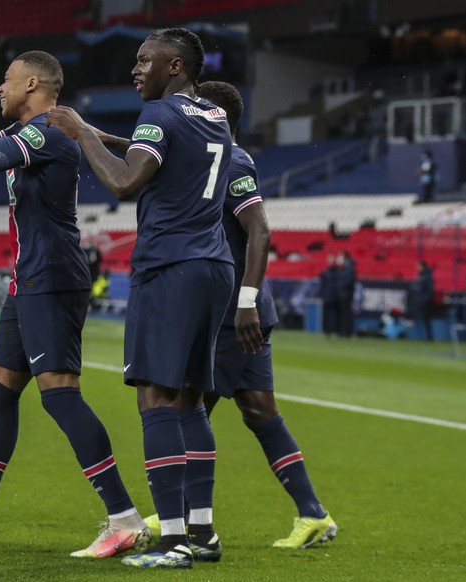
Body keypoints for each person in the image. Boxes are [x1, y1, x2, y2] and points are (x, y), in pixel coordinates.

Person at [0, 49, 150, 558]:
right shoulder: (24, 137)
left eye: (7, 80)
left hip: (52, 278)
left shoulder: (49, 134)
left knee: (59, 395)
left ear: (32, 84)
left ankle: (124, 518)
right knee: (0, 393)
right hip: (28, 281)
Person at [47, 27, 235, 569]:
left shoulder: (157, 115)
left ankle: (172, 541)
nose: (135, 69)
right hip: (213, 265)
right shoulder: (213, 116)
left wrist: (82, 134)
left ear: (174, 67)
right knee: (192, 399)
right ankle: (202, 532)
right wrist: (103, 134)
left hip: (169, 265)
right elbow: (164, 153)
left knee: (155, 397)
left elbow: (128, 182)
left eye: (144, 60)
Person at [144, 81, 336, 556]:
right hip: (243, 309)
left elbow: (259, 230)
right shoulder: (208, 157)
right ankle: (313, 513)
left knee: (183, 407)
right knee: (259, 411)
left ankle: (185, 518)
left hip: (233, 312)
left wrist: (245, 299)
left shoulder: (231, 159)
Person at [413, 260, 435, 340]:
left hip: (426, 302)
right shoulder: (421, 276)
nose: (417, 268)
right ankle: (424, 335)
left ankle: (429, 336)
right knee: (423, 318)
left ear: (422, 266)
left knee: (427, 319)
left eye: (418, 266)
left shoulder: (427, 276)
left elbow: (429, 290)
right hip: (420, 301)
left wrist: (424, 299)